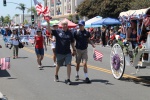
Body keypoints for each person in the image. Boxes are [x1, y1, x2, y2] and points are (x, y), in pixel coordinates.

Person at [48, 20, 76, 85]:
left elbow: (72, 42)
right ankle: (56, 75)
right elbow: (49, 30)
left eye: (66, 24)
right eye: (64, 24)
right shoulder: (58, 31)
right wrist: (48, 22)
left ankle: (68, 78)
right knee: (58, 65)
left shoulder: (70, 33)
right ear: (61, 26)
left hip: (68, 52)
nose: (65, 26)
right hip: (60, 52)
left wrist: (74, 49)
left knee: (69, 64)